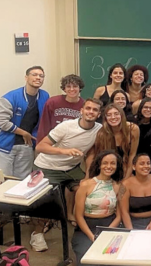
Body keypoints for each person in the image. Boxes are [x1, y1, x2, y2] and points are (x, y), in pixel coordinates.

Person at [30, 98, 103, 251]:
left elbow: (91, 153)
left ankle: (80, 224)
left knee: (89, 192)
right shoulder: (66, 126)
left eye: (94, 110)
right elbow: (40, 146)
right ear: (81, 111)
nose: (91, 112)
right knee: (46, 202)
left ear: (99, 113)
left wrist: (87, 177)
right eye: (88, 108)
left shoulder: (99, 129)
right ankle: (36, 234)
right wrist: (64, 151)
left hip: (71, 168)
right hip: (47, 167)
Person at [72, 150, 122, 265]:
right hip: (86, 228)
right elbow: (78, 215)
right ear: (99, 165)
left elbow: (119, 216)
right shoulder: (85, 185)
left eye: (112, 163)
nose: (109, 166)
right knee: (88, 260)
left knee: (110, 258)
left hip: (110, 225)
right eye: (105, 163)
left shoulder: (119, 186)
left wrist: (106, 233)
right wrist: (91, 236)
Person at [0, 66, 49, 179]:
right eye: (34, 75)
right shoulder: (10, 97)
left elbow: (45, 119)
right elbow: (2, 122)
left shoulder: (44, 96)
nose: (38, 78)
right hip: (5, 146)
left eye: (41, 76)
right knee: (4, 180)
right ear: (26, 77)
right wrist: (23, 133)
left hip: (28, 146)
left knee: (22, 181)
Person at [87, 103, 140, 178]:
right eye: (109, 115)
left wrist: (127, 177)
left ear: (121, 115)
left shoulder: (133, 129)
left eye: (116, 114)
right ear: (105, 118)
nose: (113, 117)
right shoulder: (102, 134)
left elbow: (132, 155)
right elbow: (101, 158)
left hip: (127, 166)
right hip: (109, 167)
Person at [119, 154, 151, 230]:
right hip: (134, 221)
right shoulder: (125, 185)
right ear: (134, 167)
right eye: (142, 164)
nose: (146, 166)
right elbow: (124, 212)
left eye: (148, 163)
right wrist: (131, 231)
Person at [37, 74, 85, 141]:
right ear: (64, 89)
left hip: (74, 141)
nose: (71, 89)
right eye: (68, 86)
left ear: (80, 88)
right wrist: (40, 145)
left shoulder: (85, 105)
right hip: (53, 141)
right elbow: (44, 125)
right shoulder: (52, 102)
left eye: (75, 86)